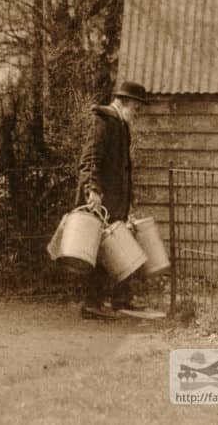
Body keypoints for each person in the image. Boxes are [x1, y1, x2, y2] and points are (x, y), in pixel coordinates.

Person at [76, 81, 148, 320]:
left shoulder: (121, 124)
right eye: (136, 106)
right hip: (100, 198)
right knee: (99, 251)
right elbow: (90, 159)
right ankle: (91, 304)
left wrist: (131, 198)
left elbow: (124, 168)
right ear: (124, 102)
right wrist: (92, 191)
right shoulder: (104, 121)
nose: (137, 111)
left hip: (116, 199)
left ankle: (121, 299)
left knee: (120, 246)